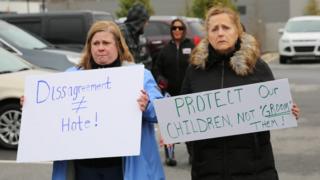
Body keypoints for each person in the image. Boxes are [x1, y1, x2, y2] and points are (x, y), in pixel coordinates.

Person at [26, 21, 165, 180]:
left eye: (106, 43)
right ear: (89, 47)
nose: (100, 48)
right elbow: (51, 114)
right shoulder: (71, 78)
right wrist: (32, 105)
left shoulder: (139, 76)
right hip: (83, 168)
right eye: (96, 43)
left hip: (123, 168)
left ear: (118, 46)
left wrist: (147, 105)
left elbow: (159, 112)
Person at [180, 6, 301, 180]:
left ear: (237, 30)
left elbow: (275, 106)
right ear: (208, 34)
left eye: (226, 27)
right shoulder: (195, 70)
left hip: (254, 169)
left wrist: (288, 110)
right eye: (214, 29)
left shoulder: (257, 67)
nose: (220, 33)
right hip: (207, 169)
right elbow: (182, 113)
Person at [155, 18, 195, 166]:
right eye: (174, 28)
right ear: (171, 31)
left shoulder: (191, 47)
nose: (177, 31)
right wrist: (160, 79)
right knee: (170, 127)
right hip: (170, 94)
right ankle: (170, 156)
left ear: (184, 30)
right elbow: (157, 68)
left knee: (190, 126)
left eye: (180, 28)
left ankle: (193, 154)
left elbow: (198, 66)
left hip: (188, 94)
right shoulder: (165, 50)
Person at [119, 2, 152, 70]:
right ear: (139, 21)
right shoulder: (122, 33)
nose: (147, 24)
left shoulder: (137, 34)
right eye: (145, 21)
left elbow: (144, 57)